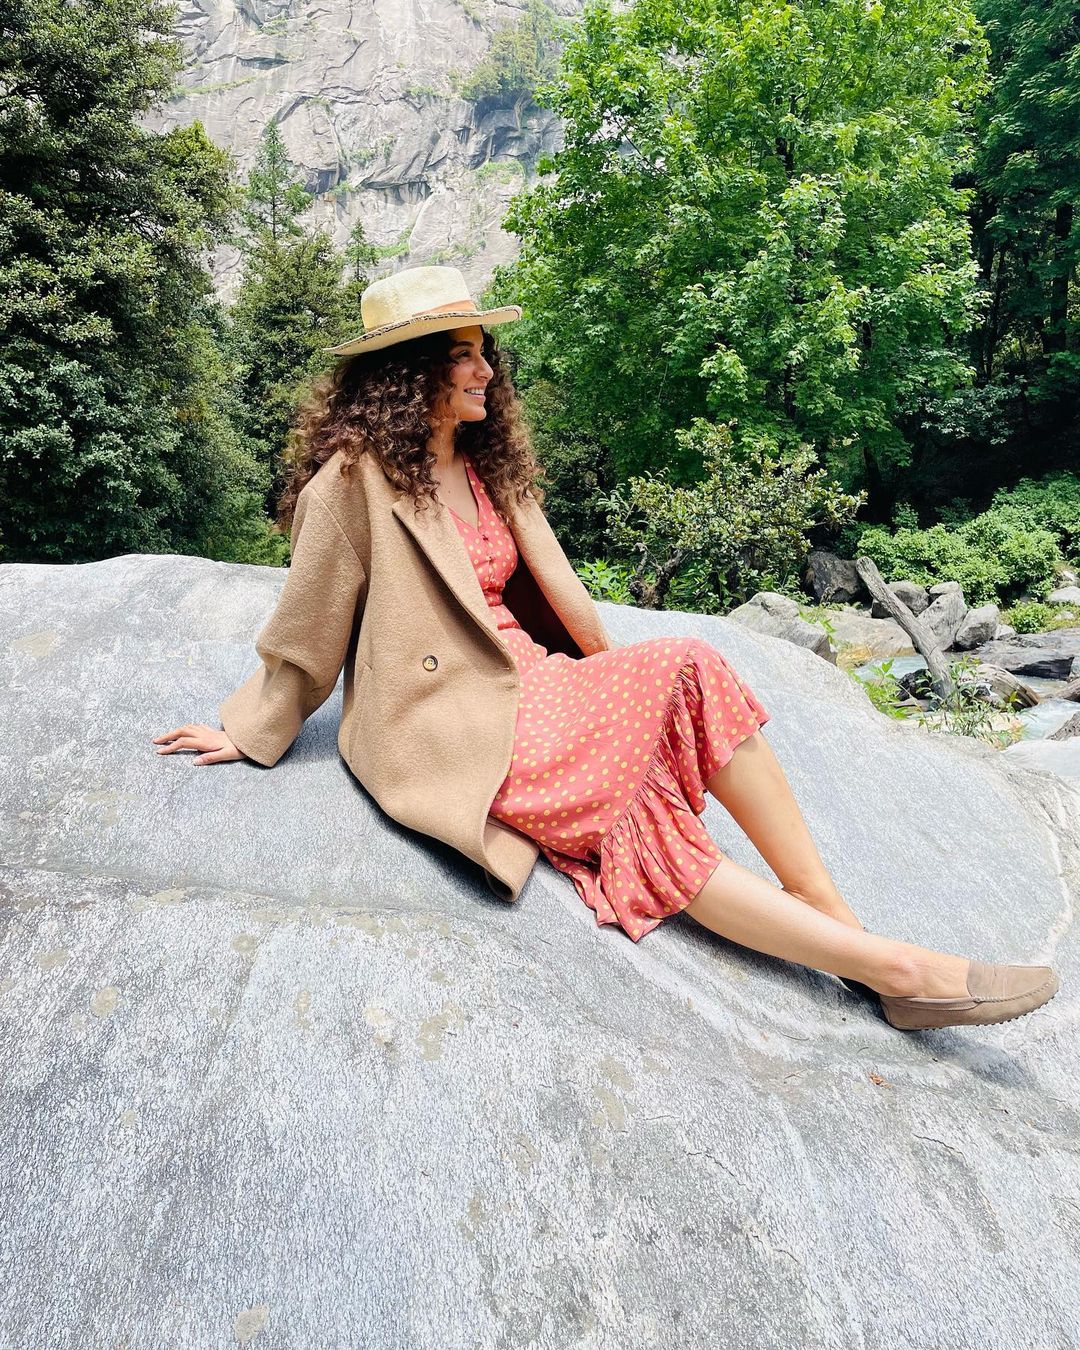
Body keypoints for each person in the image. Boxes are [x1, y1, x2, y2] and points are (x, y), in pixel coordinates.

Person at [153, 265, 1060, 1032]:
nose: (486, 370)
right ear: (409, 372)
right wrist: (255, 725)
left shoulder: (484, 466)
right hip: (451, 715)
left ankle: (842, 929)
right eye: (462, 353)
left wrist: (614, 678)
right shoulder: (350, 481)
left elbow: (565, 605)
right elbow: (308, 625)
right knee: (633, 805)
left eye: (482, 350)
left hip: (532, 682)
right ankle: (898, 975)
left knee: (690, 667)